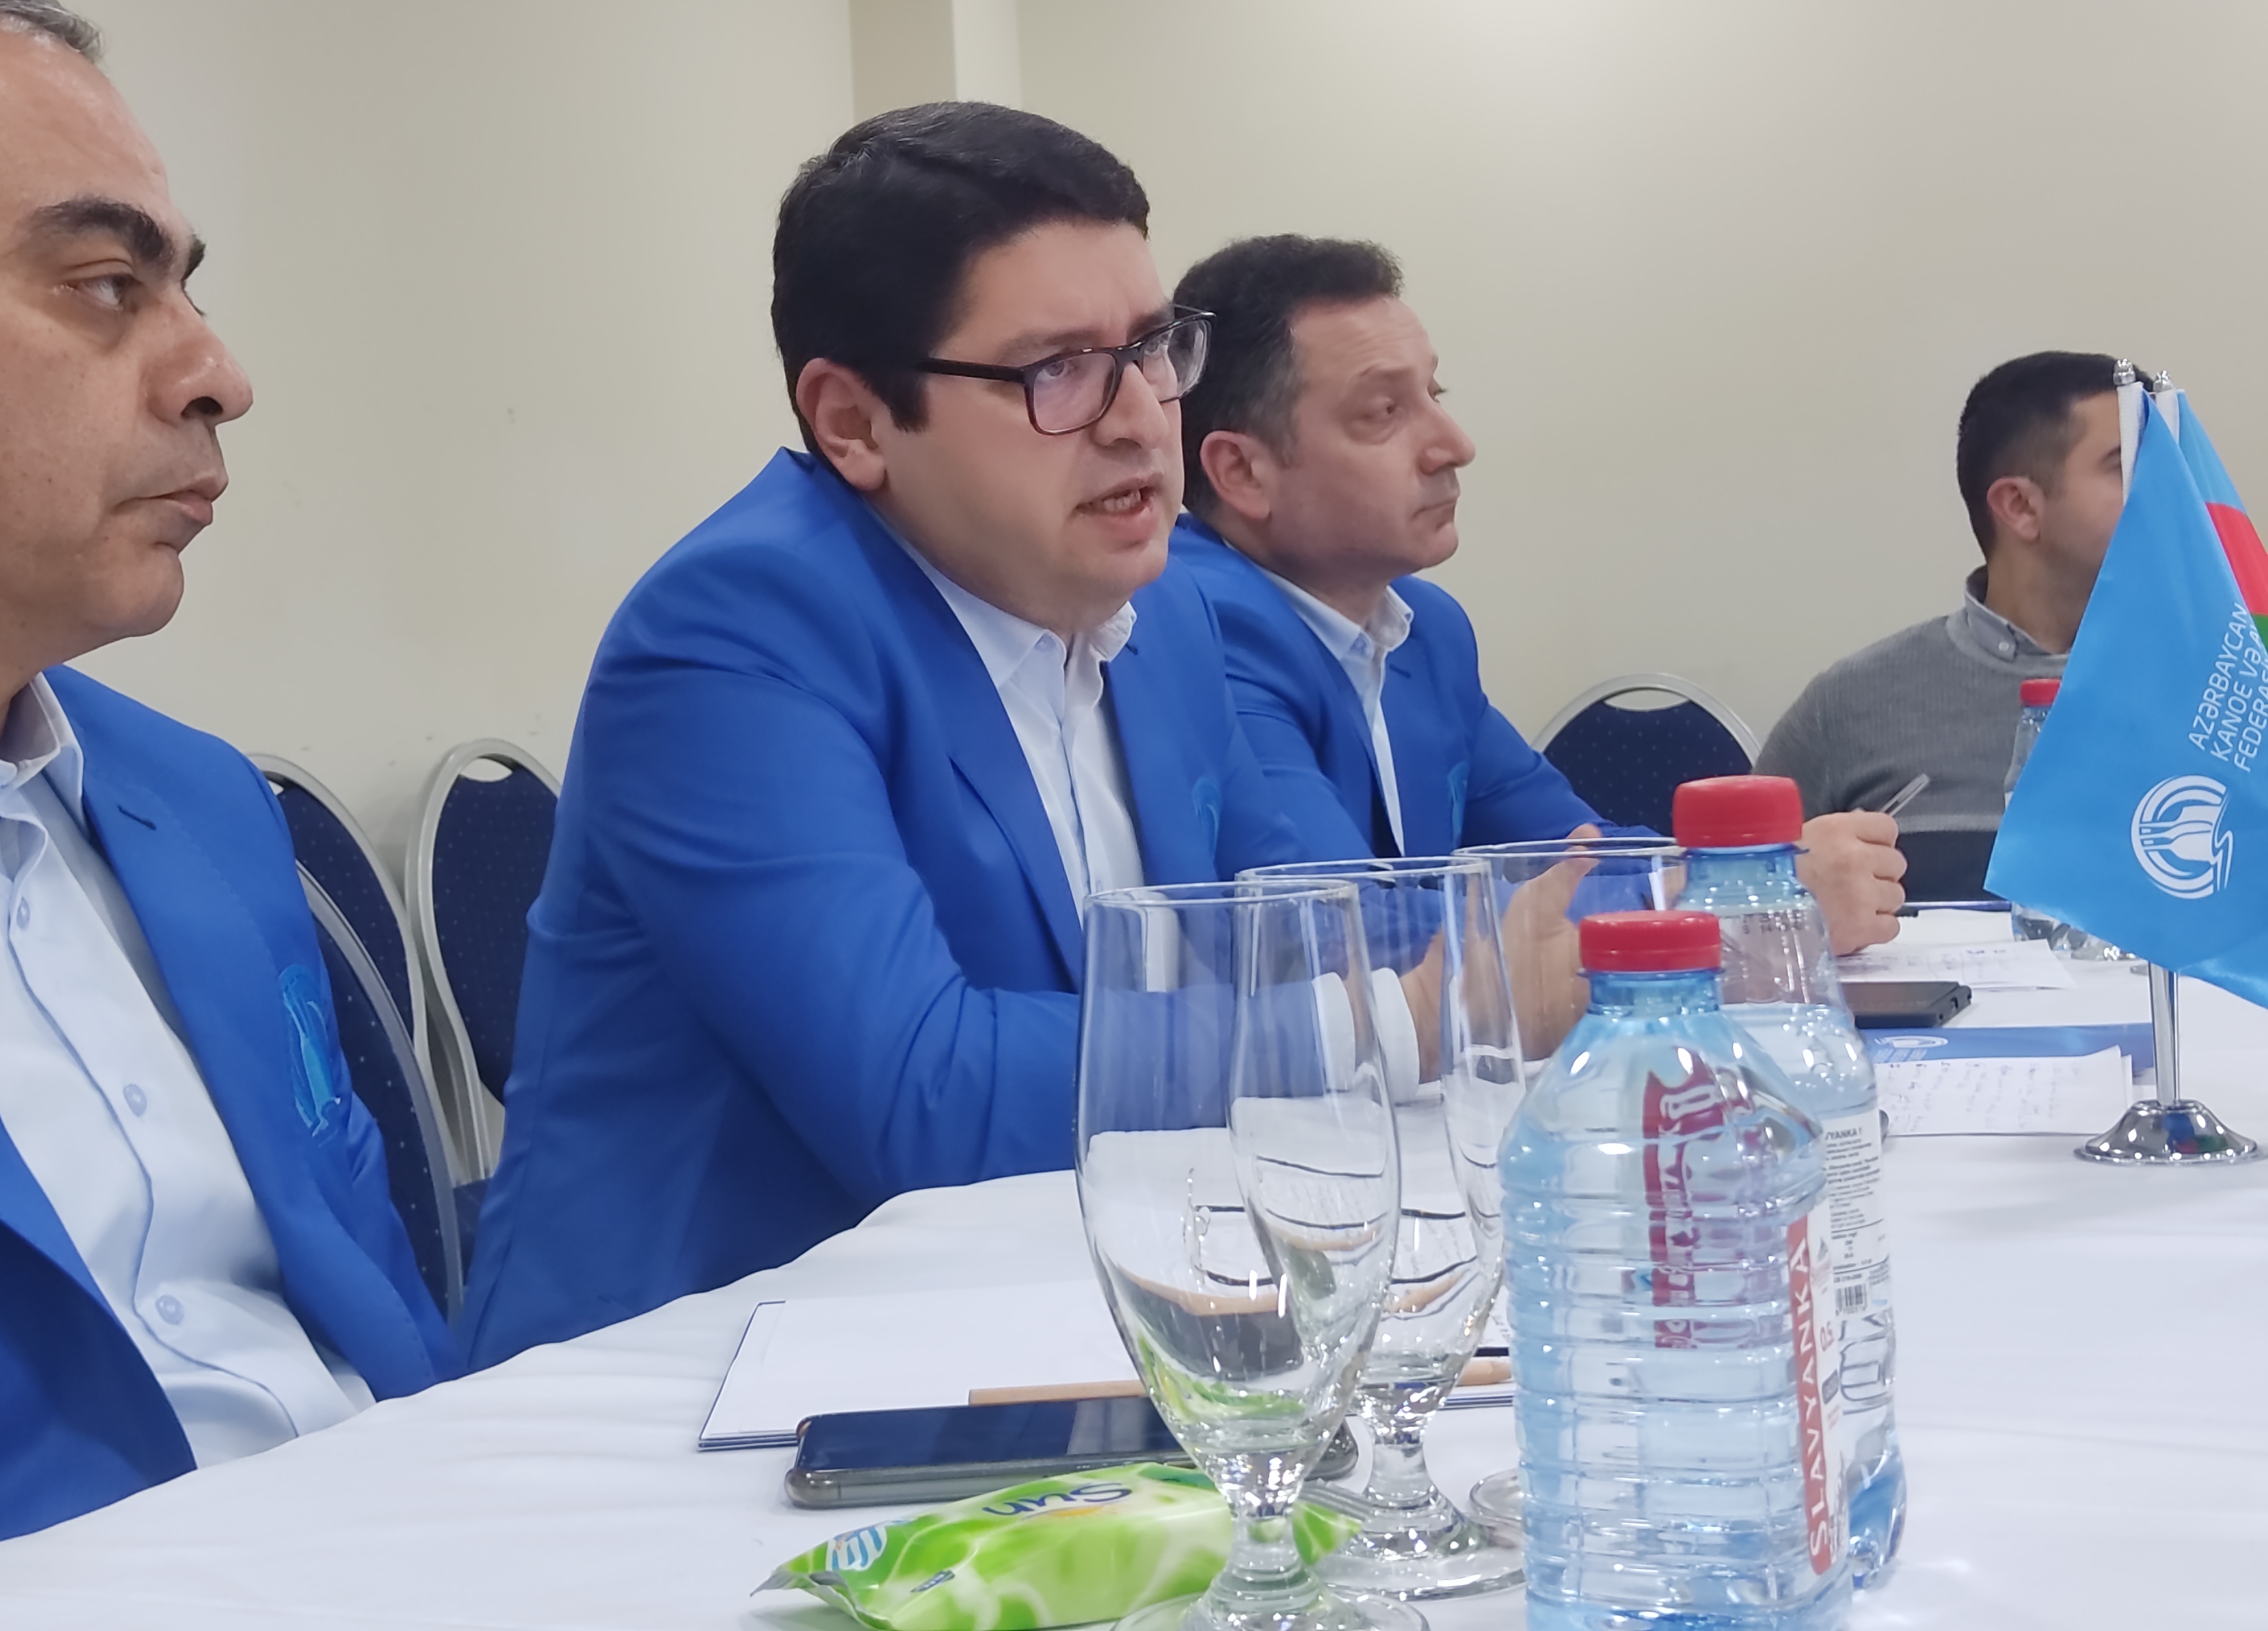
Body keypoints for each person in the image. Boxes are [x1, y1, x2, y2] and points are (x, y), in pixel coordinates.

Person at [462, 103, 1303, 1364]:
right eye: (1059, 370)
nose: (1139, 418)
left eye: (1151, 348)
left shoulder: (1166, 611)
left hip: (1055, 1320)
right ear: (853, 422)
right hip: (700, 1378)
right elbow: (926, 1097)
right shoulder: (738, 630)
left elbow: (1294, 925)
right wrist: (1372, 1026)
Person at [0, 0, 454, 1603]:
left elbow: (380, 1325)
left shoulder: (200, 808)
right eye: (106, 286)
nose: (217, 374)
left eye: (183, 290)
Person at [1169, 234, 1905, 952]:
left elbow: (1575, 852)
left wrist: (1734, 874)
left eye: (1434, 394)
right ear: (1243, 473)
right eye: (1383, 412)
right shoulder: (1197, 626)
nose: (1454, 445)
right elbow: (1343, 931)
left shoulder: (1425, 629)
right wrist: (1743, 896)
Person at [1759, 351, 2139, 901]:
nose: (2169, 496)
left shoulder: (2230, 693)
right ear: (2020, 507)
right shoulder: (1852, 705)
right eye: (2127, 467)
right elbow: (1733, 906)